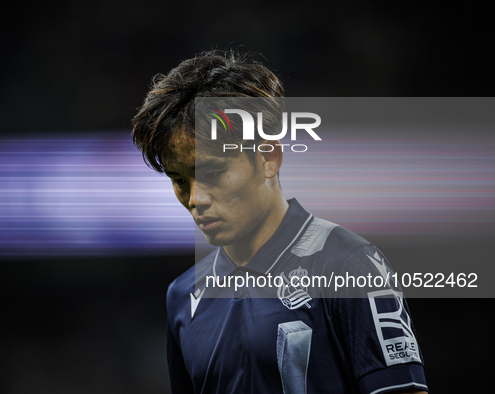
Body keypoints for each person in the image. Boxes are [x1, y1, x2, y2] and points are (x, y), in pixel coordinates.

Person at [131, 50, 428, 394]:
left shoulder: (350, 264)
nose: (195, 198)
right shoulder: (183, 296)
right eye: (180, 179)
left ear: (269, 157)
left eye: (212, 173)